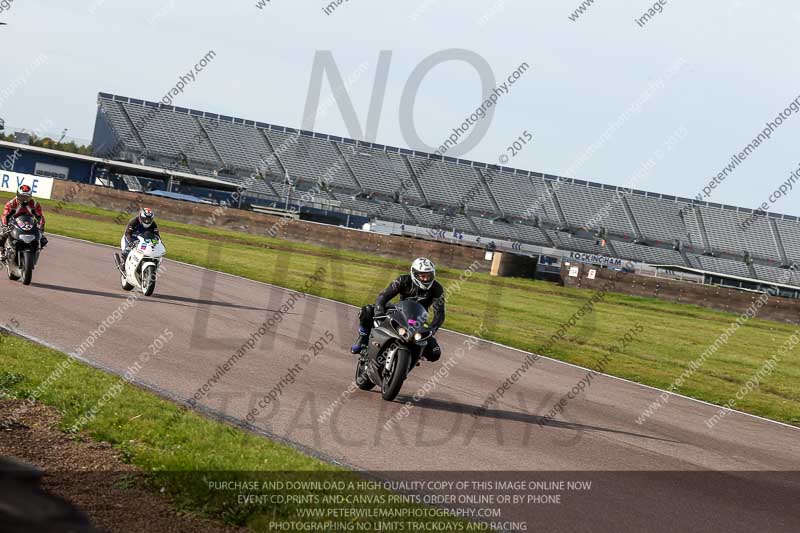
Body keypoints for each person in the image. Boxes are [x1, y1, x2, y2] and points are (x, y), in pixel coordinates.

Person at [352, 257, 445, 362]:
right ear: (414, 274)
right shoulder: (402, 280)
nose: (426, 279)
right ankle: (362, 339)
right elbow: (383, 296)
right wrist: (379, 311)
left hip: (419, 321)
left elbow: (440, 314)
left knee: (435, 353)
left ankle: (413, 358)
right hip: (399, 312)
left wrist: (432, 329)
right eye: (423, 276)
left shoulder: (437, 288)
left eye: (429, 276)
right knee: (367, 310)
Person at [0, 185, 48, 261]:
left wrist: (41, 226)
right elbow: (5, 216)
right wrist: (5, 226)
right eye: (22, 196)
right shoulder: (11, 204)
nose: (24, 199)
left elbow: (40, 216)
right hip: (13, 222)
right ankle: (1, 250)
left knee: (43, 240)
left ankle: (35, 250)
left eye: (26, 197)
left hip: (28, 222)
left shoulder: (35, 204)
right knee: (3, 233)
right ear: (18, 195)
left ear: (30, 196)